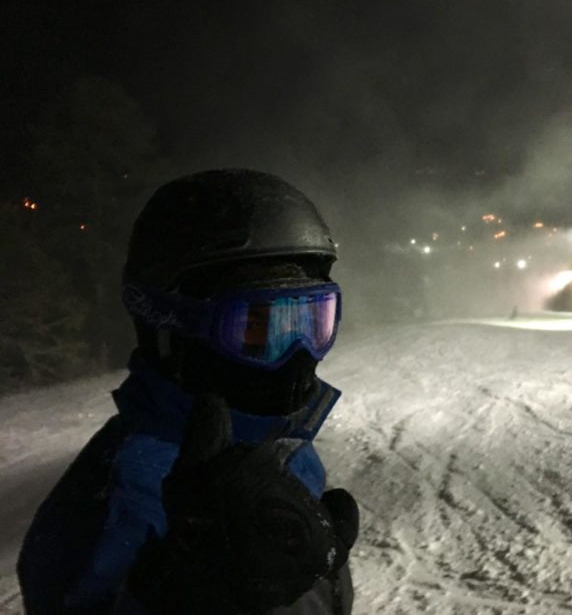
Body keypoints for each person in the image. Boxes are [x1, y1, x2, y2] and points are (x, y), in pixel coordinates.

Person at [18, 169, 358, 614]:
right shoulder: (113, 508)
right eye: (256, 329)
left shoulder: (277, 448)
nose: (297, 354)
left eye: (314, 322)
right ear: (170, 328)